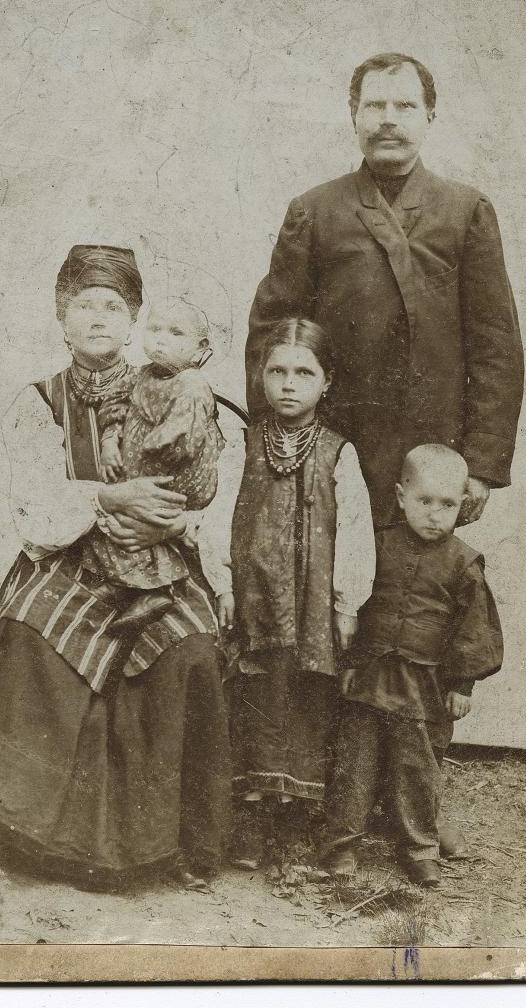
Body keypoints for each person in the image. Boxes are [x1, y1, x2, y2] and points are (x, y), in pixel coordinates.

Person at [0, 244, 231, 891]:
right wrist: (108, 498)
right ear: (61, 317)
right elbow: (34, 502)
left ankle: (167, 840)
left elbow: (209, 485)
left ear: (133, 322)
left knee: (187, 647)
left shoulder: (173, 386)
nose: (98, 318)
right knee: (33, 635)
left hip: (158, 557)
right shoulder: (40, 402)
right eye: (83, 305)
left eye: (114, 307)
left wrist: (170, 522)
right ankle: (26, 828)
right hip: (70, 555)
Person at [245, 51, 524, 530]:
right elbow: (272, 331)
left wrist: (481, 463)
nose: (388, 120)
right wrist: (271, 438)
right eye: (374, 106)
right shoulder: (314, 210)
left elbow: (495, 344)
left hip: (432, 453)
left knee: (420, 575)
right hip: (331, 443)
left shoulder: (466, 210)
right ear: (353, 114)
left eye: (405, 106)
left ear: (430, 115)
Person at [199, 318, 375, 869]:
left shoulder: (339, 452)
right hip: (255, 596)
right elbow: (217, 518)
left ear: (327, 381)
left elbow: (354, 530)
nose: (289, 384)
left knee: (307, 698)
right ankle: (252, 818)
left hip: (311, 602)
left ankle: (296, 819)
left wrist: (347, 604)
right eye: (277, 371)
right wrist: (223, 584)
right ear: (261, 376)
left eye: (304, 373)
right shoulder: (242, 444)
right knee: (255, 695)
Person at [320, 444, 503, 887]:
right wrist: (350, 661)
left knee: (417, 767)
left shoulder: (464, 563)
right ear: (401, 497)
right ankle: (341, 845)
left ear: (463, 505)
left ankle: (419, 848)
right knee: (354, 763)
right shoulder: (377, 545)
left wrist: (462, 685)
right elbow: (357, 608)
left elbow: (473, 629)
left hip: (424, 684)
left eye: (448, 505)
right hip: (369, 676)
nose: (435, 515)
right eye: (424, 501)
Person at [79, 298, 225, 605]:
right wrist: (110, 441)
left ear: (199, 348)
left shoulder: (191, 385)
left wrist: (139, 474)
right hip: (143, 477)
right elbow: (115, 401)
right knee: (113, 517)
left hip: (173, 478)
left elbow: (179, 442)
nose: (161, 339)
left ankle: (155, 591)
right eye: (155, 328)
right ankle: (124, 585)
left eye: (175, 332)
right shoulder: (142, 374)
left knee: (136, 515)